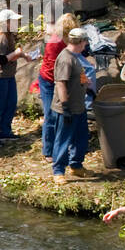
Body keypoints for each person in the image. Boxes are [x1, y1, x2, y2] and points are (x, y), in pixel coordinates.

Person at [49, 27, 90, 184]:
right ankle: (58, 170)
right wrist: (65, 107)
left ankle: (76, 165)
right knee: (63, 139)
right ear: (80, 42)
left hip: (79, 106)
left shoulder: (76, 56)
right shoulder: (65, 58)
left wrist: (87, 85)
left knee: (81, 137)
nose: (86, 44)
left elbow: (78, 75)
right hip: (67, 108)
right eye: (85, 41)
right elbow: (61, 83)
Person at [0, 11, 26, 146]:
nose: (17, 23)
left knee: (11, 103)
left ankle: (5, 132)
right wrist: (16, 53)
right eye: (14, 20)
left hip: (8, 76)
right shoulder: (1, 37)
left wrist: (23, 55)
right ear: (6, 23)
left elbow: (10, 55)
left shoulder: (9, 34)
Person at [37, 12, 74, 160]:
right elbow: (53, 68)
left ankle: (64, 143)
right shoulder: (54, 42)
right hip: (49, 81)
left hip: (62, 80)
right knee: (50, 114)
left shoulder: (69, 40)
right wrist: (64, 83)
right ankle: (48, 150)